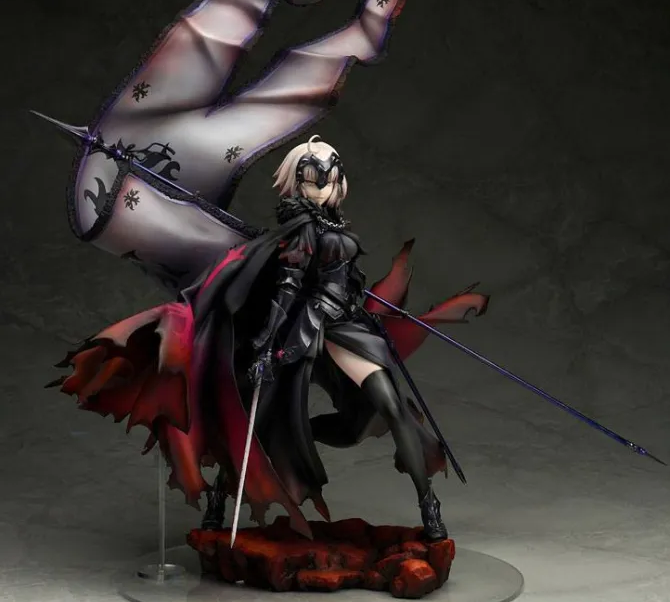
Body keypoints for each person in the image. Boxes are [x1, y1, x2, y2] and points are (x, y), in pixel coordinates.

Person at [48, 135, 489, 542]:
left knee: (387, 409)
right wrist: (267, 345)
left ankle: (425, 499)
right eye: (313, 178)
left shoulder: (331, 223)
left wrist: (354, 295)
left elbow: (338, 281)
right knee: (258, 419)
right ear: (298, 180)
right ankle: (221, 495)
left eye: (330, 177)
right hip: (303, 328)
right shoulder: (300, 229)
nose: (323, 187)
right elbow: (288, 289)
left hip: (344, 327)